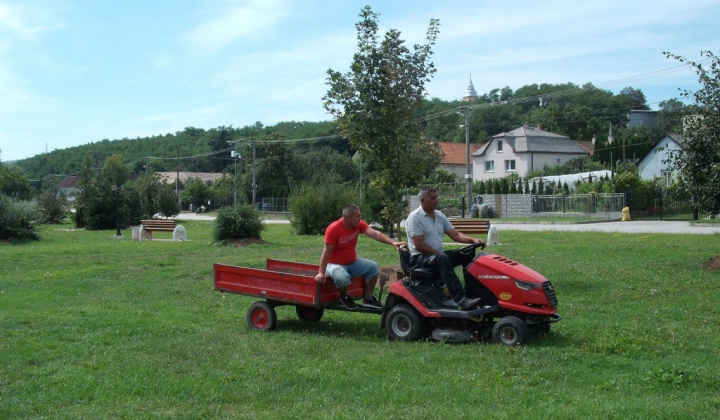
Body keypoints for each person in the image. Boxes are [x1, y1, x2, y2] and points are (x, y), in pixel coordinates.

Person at [406, 187, 486, 310]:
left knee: (466, 252)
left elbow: (456, 235)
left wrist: (473, 241)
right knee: (442, 258)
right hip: (419, 259)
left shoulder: (439, 216)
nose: (436, 200)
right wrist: (439, 255)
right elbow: (419, 245)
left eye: (437, 197)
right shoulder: (415, 218)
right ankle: (461, 299)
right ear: (422, 199)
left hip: (436, 256)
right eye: (433, 198)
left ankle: (473, 292)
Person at [315, 204, 405, 310]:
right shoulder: (334, 228)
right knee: (342, 277)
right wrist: (321, 272)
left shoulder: (358, 224)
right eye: (357, 216)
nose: (360, 218)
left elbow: (375, 234)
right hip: (334, 265)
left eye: (360, 215)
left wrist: (392, 243)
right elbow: (326, 252)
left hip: (352, 263)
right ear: (347, 217)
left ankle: (368, 298)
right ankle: (344, 296)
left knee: (372, 267)